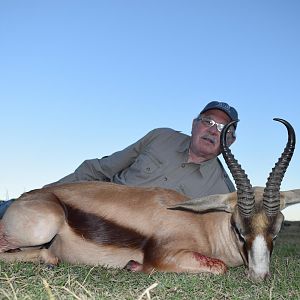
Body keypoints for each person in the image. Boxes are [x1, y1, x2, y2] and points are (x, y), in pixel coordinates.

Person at [0, 101, 238, 217]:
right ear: (195, 124)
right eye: (208, 121)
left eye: (223, 128)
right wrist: (43, 193)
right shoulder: (160, 137)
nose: (213, 130)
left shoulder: (221, 189)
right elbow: (101, 168)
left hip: (121, 234)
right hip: (90, 200)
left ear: (230, 141)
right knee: (17, 210)